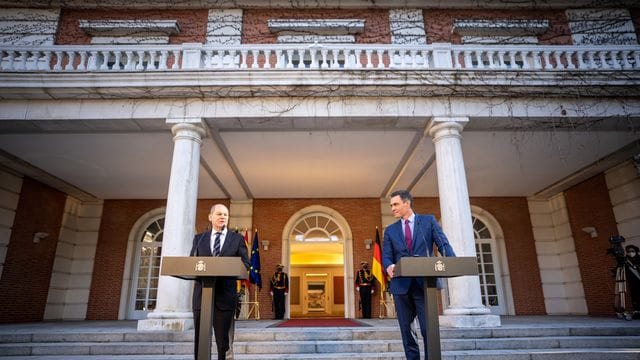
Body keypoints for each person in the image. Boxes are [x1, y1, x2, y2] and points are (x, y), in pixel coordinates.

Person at [382, 189, 456, 360]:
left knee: (427, 329)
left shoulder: (428, 221)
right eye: (391, 205)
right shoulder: (390, 230)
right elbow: (386, 255)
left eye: (395, 204)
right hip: (401, 286)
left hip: (424, 286)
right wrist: (389, 266)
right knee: (407, 332)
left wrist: (451, 261)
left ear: (406, 204)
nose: (392, 208)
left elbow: (443, 243)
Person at [190, 204, 250, 360]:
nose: (222, 216)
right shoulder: (199, 238)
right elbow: (191, 264)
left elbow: (246, 264)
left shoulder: (236, 239)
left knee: (223, 341)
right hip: (202, 296)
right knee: (200, 339)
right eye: (219, 214)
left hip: (225, 296)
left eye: (225, 214)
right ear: (210, 217)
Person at [625, 244, 640, 319]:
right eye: (628, 251)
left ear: (636, 251)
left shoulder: (639, 259)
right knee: (635, 297)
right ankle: (637, 311)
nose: (630, 252)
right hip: (632, 283)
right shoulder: (626, 261)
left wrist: (637, 267)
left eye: (632, 251)